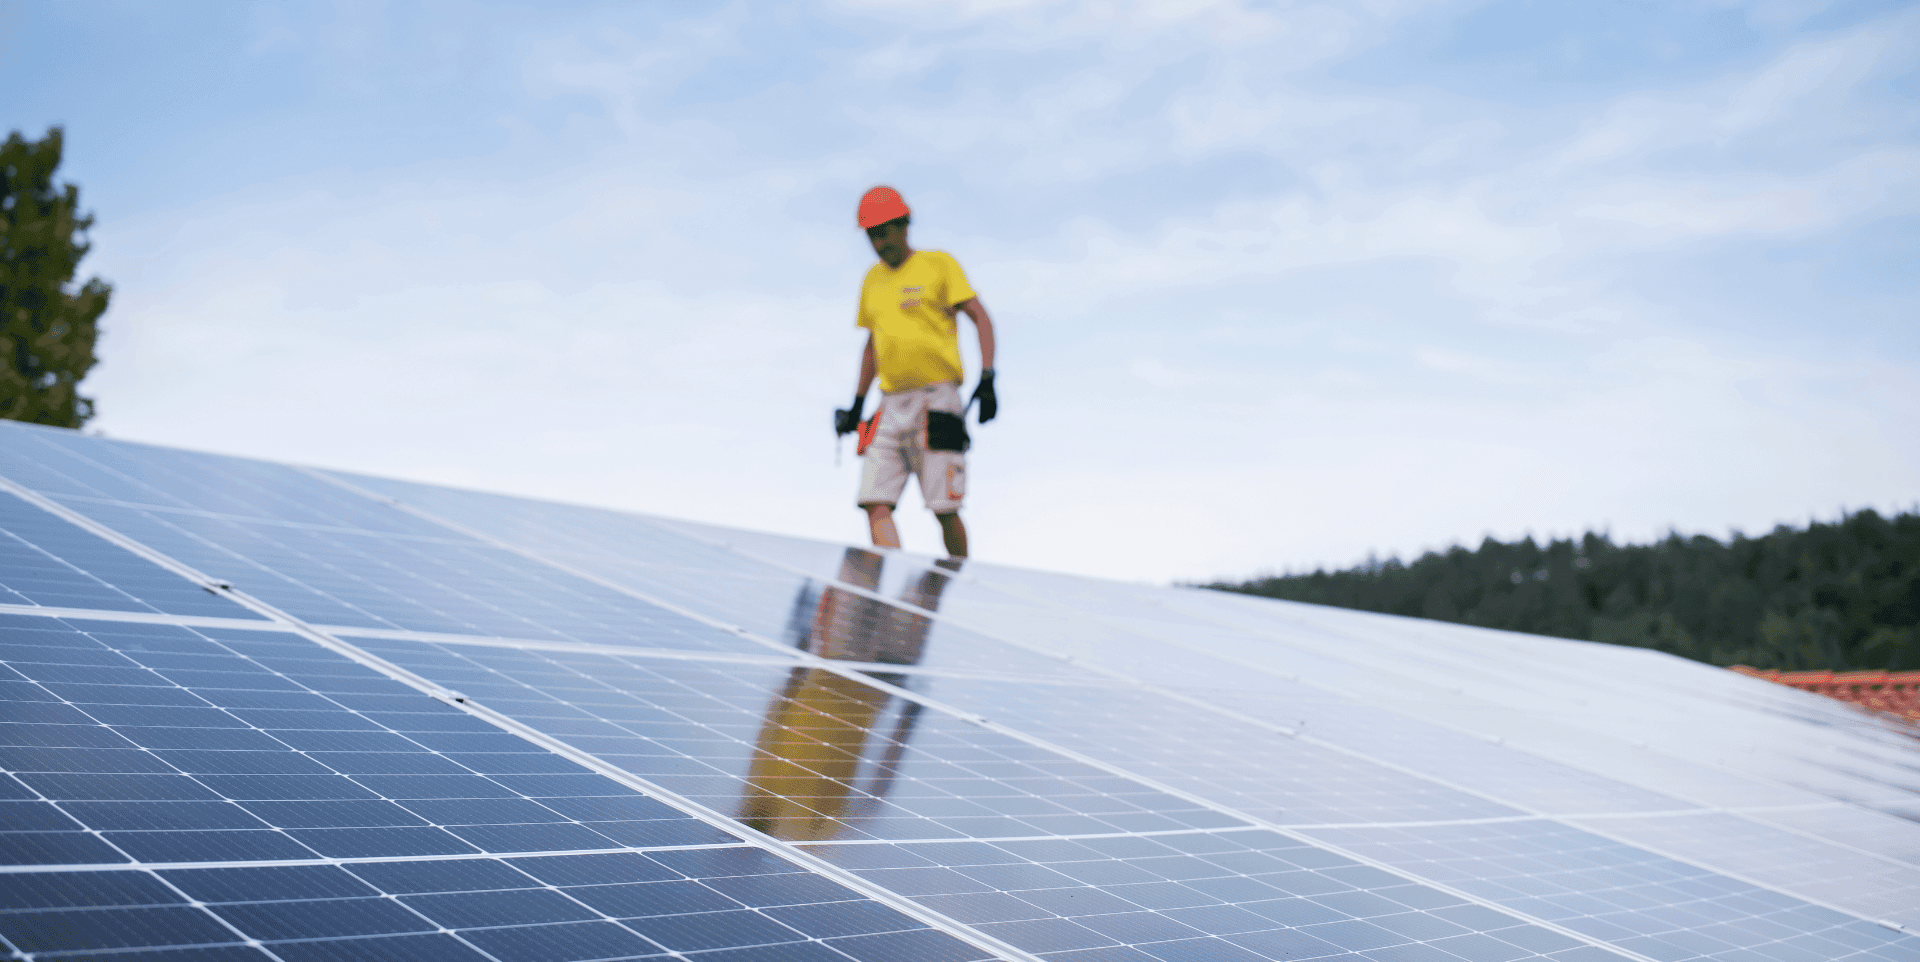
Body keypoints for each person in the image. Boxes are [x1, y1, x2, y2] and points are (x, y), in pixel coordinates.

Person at [834, 186, 997, 558]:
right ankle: (891, 598)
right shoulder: (871, 281)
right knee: (874, 501)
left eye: (884, 232)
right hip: (889, 405)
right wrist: (858, 405)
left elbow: (979, 316)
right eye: (871, 235)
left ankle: (958, 580)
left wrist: (988, 377)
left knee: (944, 508)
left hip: (936, 400)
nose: (879, 243)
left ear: (904, 225)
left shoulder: (938, 265)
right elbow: (873, 345)